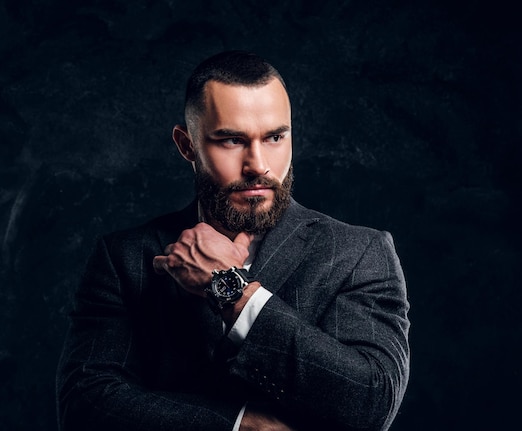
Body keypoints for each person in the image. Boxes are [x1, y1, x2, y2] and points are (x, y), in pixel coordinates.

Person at [56, 50, 410, 431]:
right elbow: (84, 405)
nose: (258, 164)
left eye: (275, 137)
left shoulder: (358, 253)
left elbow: (371, 402)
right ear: (187, 145)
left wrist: (233, 292)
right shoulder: (124, 257)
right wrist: (239, 426)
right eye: (231, 140)